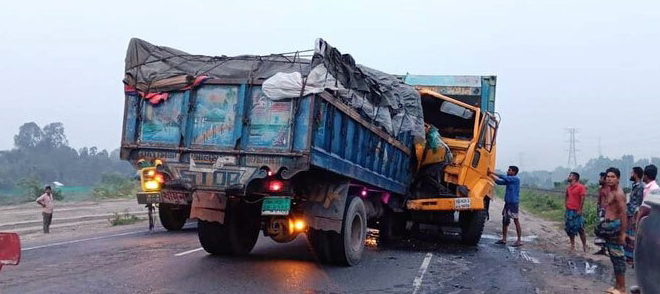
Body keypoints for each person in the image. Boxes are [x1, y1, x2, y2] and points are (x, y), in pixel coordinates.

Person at [599, 167, 627, 294]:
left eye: (612, 176)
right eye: (608, 176)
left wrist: (623, 233)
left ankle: (622, 288)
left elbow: (623, 214)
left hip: (616, 227)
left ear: (618, 179)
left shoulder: (618, 194)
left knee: (618, 258)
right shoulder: (610, 191)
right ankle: (617, 286)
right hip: (609, 227)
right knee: (613, 257)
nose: (609, 179)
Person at [490, 166, 522, 247]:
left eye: (509, 170)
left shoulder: (515, 179)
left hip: (513, 204)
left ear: (514, 172)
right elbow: (499, 182)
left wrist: (492, 172)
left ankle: (519, 240)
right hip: (507, 203)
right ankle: (504, 239)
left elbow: (503, 177)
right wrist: (490, 176)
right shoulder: (510, 180)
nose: (507, 171)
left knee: (516, 220)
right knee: (505, 221)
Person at [624, 167, 644, 265]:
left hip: (633, 215)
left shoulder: (640, 187)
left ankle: (631, 258)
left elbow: (638, 204)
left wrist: (636, 217)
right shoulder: (635, 186)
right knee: (628, 235)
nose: (631, 174)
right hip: (629, 213)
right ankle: (628, 257)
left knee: (631, 236)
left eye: (632, 172)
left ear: (635, 174)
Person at [564, 172, 588, 252]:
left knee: (580, 228)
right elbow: (566, 195)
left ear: (574, 178)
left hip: (576, 210)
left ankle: (584, 245)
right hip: (569, 210)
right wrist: (566, 204)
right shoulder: (568, 187)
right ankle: (572, 245)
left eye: (570, 176)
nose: (568, 177)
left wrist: (580, 209)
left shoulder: (580, 187)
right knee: (570, 228)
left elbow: (583, 198)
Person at [594, 172, 608, 255]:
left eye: (601, 178)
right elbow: (599, 201)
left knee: (606, 230)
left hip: (606, 212)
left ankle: (606, 248)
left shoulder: (608, 189)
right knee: (600, 230)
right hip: (601, 211)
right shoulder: (601, 189)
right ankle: (602, 248)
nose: (599, 180)